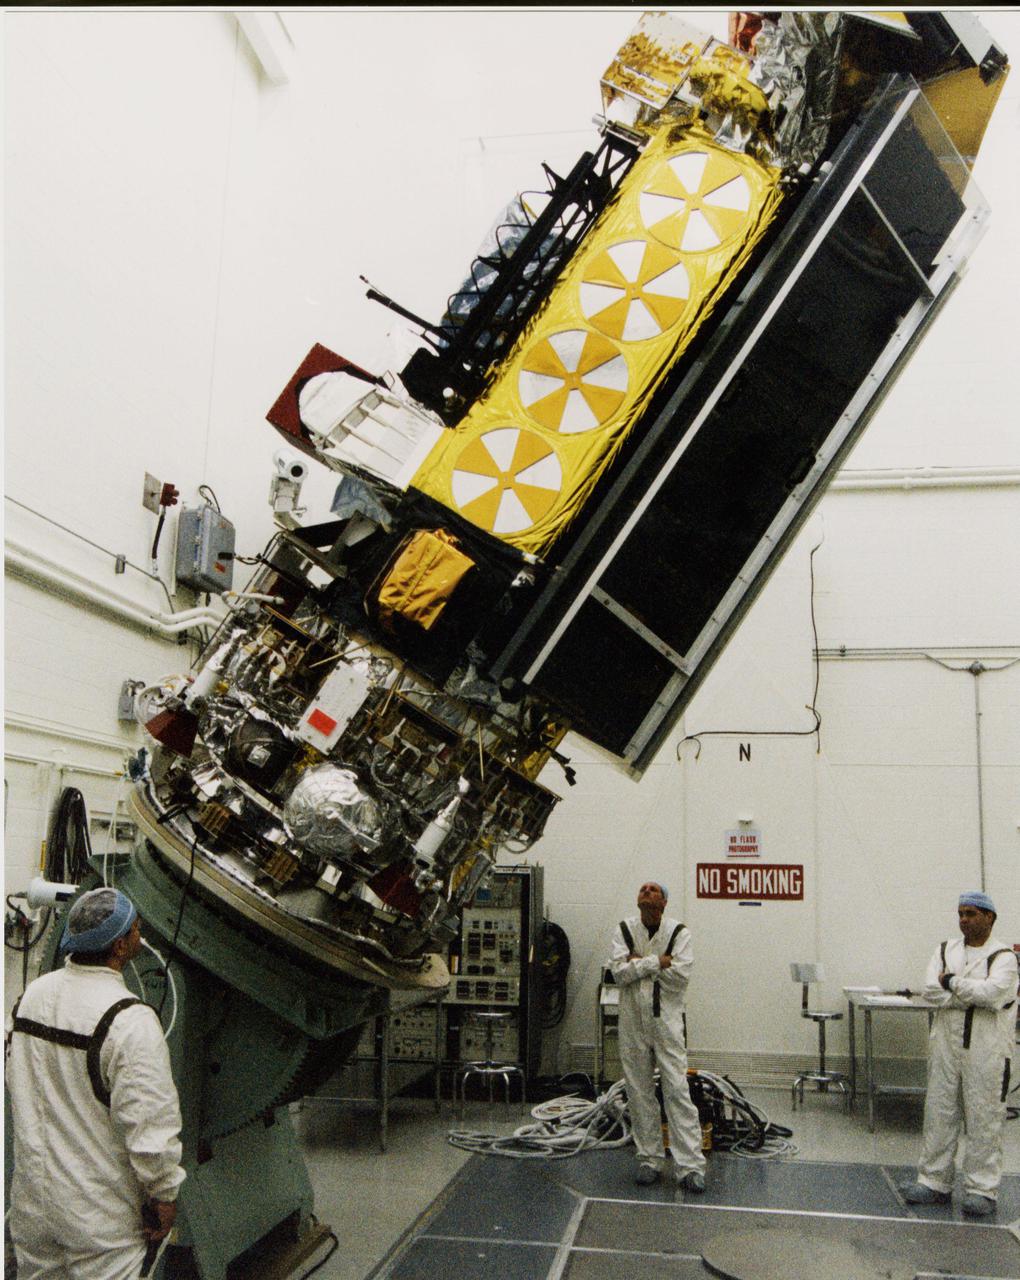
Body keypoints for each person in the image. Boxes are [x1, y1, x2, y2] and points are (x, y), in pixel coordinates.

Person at [7, 887, 186, 1278]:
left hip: (32, 1207)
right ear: (121, 946)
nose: (142, 935)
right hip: (98, 1220)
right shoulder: (129, 1020)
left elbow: (17, 1075)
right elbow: (149, 1124)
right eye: (137, 929)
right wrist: (164, 1193)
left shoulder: (34, 995)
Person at [900, 890, 1018, 1217]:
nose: (964, 919)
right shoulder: (944, 950)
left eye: (971, 913)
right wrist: (964, 991)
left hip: (987, 1051)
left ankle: (982, 1189)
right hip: (945, 1047)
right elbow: (931, 991)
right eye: (961, 913)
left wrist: (951, 982)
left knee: (984, 1117)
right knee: (939, 1110)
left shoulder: (1004, 957)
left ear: (989, 917)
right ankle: (934, 1181)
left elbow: (993, 994)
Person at [609, 881, 706, 1190]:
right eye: (643, 888)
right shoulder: (624, 929)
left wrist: (637, 962)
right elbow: (617, 973)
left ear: (664, 902)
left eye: (654, 890)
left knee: (676, 1089)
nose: (647, 891)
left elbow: (680, 977)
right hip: (632, 1022)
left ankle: (689, 1166)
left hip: (666, 1023)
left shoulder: (679, 933)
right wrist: (656, 962)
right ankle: (649, 1158)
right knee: (639, 1090)